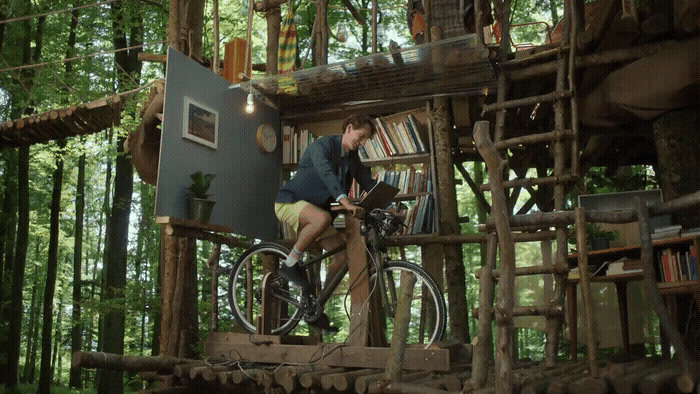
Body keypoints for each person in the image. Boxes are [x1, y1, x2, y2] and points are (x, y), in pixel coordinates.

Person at [274, 114, 378, 331]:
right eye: (361, 136)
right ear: (348, 128)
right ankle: (290, 264)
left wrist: (389, 206)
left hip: (315, 213)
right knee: (321, 219)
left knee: (341, 255)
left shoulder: (353, 158)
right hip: (289, 202)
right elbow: (326, 174)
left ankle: (316, 306)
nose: (363, 142)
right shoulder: (322, 145)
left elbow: (368, 183)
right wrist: (344, 200)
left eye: (366, 139)